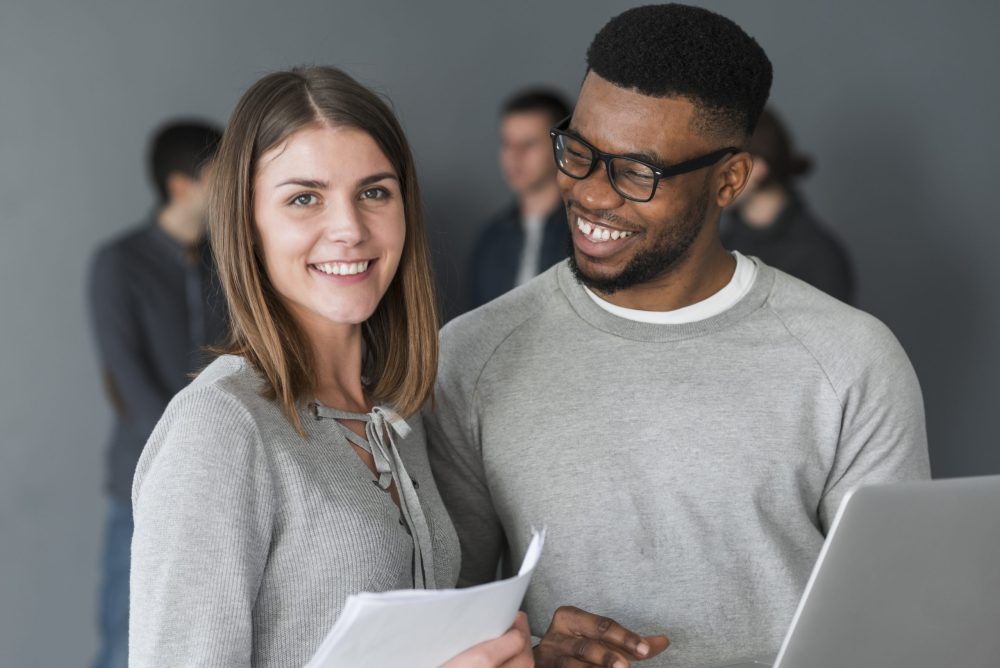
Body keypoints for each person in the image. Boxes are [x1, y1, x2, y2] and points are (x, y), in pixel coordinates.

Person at [425, 5, 929, 668]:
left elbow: (903, 630)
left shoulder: (850, 362)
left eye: (637, 172)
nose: (591, 195)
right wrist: (535, 654)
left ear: (729, 180)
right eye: (578, 152)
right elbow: (446, 627)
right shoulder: (470, 356)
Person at [127, 66, 532, 668]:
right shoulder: (220, 428)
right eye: (303, 198)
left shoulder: (398, 414)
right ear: (248, 223)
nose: (349, 229)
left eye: (374, 192)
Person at [87, 119, 227, 668]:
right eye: (221, 174)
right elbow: (127, 380)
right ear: (181, 185)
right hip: (142, 486)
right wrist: (192, 452)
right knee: (124, 642)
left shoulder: (229, 262)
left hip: (221, 481)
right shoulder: (119, 263)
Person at [721, 108, 855, 303]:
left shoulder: (818, 256)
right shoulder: (722, 246)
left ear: (757, 168)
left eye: (726, 166)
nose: (713, 179)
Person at [469, 89, 572, 309]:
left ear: (562, 147)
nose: (514, 156)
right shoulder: (491, 239)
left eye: (528, 144)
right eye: (507, 143)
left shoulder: (585, 232)